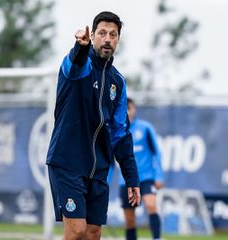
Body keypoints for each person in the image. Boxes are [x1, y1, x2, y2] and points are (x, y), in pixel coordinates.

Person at [46, 11, 140, 240]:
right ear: (94, 35)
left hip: (99, 168)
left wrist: (132, 178)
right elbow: (74, 67)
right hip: (68, 161)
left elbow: (120, 133)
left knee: (93, 233)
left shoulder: (118, 81)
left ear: (118, 39)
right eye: (102, 33)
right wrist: (80, 48)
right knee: (77, 230)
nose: (107, 39)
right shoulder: (80, 64)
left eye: (113, 34)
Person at [119, 98, 164, 240]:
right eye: (124, 109)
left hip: (146, 178)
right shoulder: (118, 130)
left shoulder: (145, 128)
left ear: (134, 110)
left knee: (151, 204)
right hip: (126, 181)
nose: (127, 112)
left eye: (129, 108)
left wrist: (159, 176)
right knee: (129, 220)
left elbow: (157, 152)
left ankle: (156, 238)